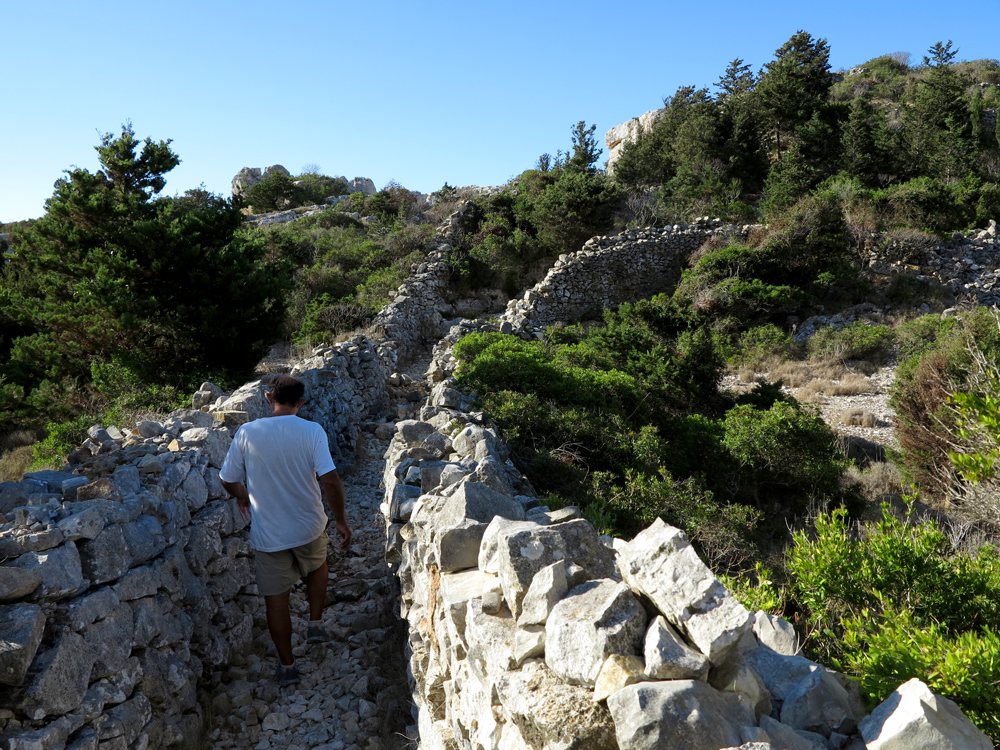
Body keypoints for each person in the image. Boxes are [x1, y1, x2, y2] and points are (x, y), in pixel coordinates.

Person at [219, 375, 351, 685]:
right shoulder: (312, 431)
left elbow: (227, 478)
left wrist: (241, 496)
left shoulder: (247, 432)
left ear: (268, 397)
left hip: (269, 535)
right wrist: (342, 521)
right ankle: (315, 622)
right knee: (318, 566)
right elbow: (329, 480)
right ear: (301, 402)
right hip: (309, 525)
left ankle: (287, 666)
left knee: (275, 601)